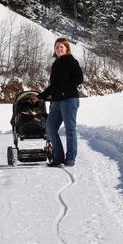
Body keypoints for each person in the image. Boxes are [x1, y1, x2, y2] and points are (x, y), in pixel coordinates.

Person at [35, 37, 84, 167]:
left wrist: (64, 89)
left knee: (70, 130)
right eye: (56, 47)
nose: (58, 49)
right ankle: (58, 157)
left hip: (69, 100)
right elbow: (53, 86)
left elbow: (79, 78)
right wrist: (40, 96)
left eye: (61, 46)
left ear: (67, 48)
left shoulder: (71, 61)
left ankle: (70, 158)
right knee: (50, 127)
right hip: (56, 102)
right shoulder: (56, 64)